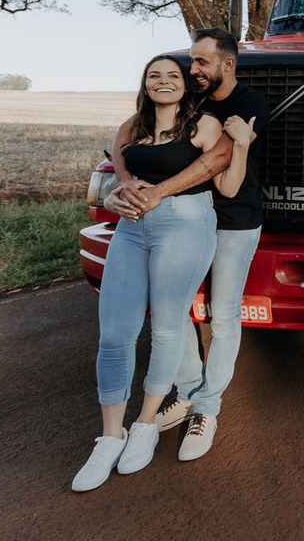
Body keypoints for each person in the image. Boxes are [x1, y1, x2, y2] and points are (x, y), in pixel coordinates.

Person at [71, 54, 253, 492]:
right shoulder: (132, 126)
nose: (163, 81)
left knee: (168, 328)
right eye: (154, 75)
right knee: (115, 333)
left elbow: (224, 177)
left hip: (185, 223)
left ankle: (145, 424)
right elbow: (121, 165)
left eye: (173, 75)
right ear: (145, 83)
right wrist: (118, 191)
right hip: (132, 229)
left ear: (185, 85)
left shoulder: (204, 124)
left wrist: (241, 146)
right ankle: (110, 436)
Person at [112, 28, 269, 462]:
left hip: (234, 219)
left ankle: (207, 407)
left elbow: (223, 167)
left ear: (227, 64)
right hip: (185, 219)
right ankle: (187, 391)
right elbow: (130, 130)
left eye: (201, 62)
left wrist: (158, 191)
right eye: (191, 62)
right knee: (172, 310)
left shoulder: (249, 104)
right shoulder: (190, 101)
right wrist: (124, 182)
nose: (192, 69)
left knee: (224, 314)